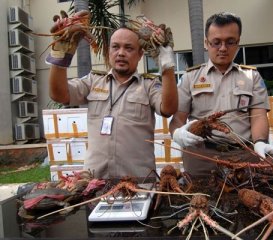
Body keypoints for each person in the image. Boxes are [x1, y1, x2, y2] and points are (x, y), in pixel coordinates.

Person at [46, 11, 178, 179]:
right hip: (94, 182)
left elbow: (169, 108)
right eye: (115, 47)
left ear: (140, 55)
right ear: (109, 51)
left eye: (128, 48)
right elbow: (59, 95)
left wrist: (167, 64)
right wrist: (60, 55)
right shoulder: (93, 81)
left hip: (139, 183)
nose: (121, 53)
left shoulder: (149, 85)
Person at [169, 12, 273, 175]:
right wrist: (177, 133)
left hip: (244, 155)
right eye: (216, 42)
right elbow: (177, 118)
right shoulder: (190, 78)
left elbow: (259, 116)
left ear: (238, 43)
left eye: (230, 42)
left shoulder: (252, 77)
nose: (223, 48)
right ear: (206, 43)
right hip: (201, 156)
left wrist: (260, 142)